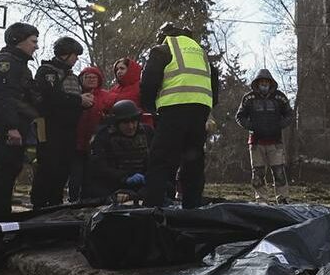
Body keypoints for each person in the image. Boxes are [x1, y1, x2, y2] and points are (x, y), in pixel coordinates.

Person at [140, 22, 218, 209]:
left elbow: (149, 80)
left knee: (160, 159)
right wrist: (207, 107)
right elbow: (214, 82)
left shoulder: (164, 48)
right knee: (193, 160)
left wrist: (149, 106)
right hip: (200, 111)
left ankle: (152, 208)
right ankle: (192, 207)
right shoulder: (200, 52)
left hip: (173, 109)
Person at [0, 22, 41, 221]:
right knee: (3, 171)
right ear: (18, 41)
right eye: (33, 41)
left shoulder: (17, 63)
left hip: (13, 124)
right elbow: (4, 97)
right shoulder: (6, 63)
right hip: (6, 126)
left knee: (6, 170)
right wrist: (11, 127)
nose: (36, 46)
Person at [30, 36, 91, 209]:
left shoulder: (72, 76)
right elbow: (52, 98)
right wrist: (79, 101)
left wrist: (84, 102)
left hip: (68, 129)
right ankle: (40, 204)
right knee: (48, 165)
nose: (76, 59)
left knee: (63, 167)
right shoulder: (47, 72)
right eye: (74, 55)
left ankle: (55, 203)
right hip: (50, 127)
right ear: (65, 54)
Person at [235, 69, 294, 203]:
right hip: (256, 142)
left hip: (275, 142)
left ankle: (283, 199)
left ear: (271, 83)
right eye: (261, 82)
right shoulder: (249, 98)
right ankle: (261, 200)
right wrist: (251, 126)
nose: (264, 85)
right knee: (258, 174)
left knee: (279, 172)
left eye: (266, 82)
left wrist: (280, 125)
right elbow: (239, 116)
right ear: (257, 83)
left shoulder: (280, 97)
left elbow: (290, 114)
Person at [82, 100, 153, 200]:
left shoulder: (147, 133)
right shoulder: (104, 136)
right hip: (112, 184)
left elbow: (156, 161)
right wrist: (124, 177)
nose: (131, 127)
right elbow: (99, 167)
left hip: (142, 184)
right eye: (125, 123)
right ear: (117, 123)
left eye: (133, 122)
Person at [68, 66, 115, 201]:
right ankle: (73, 200)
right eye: (87, 77)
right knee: (75, 175)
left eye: (94, 77)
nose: (91, 79)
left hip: (97, 145)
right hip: (76, 143)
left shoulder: (108, 97)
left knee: (92, 175)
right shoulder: (75, 96)